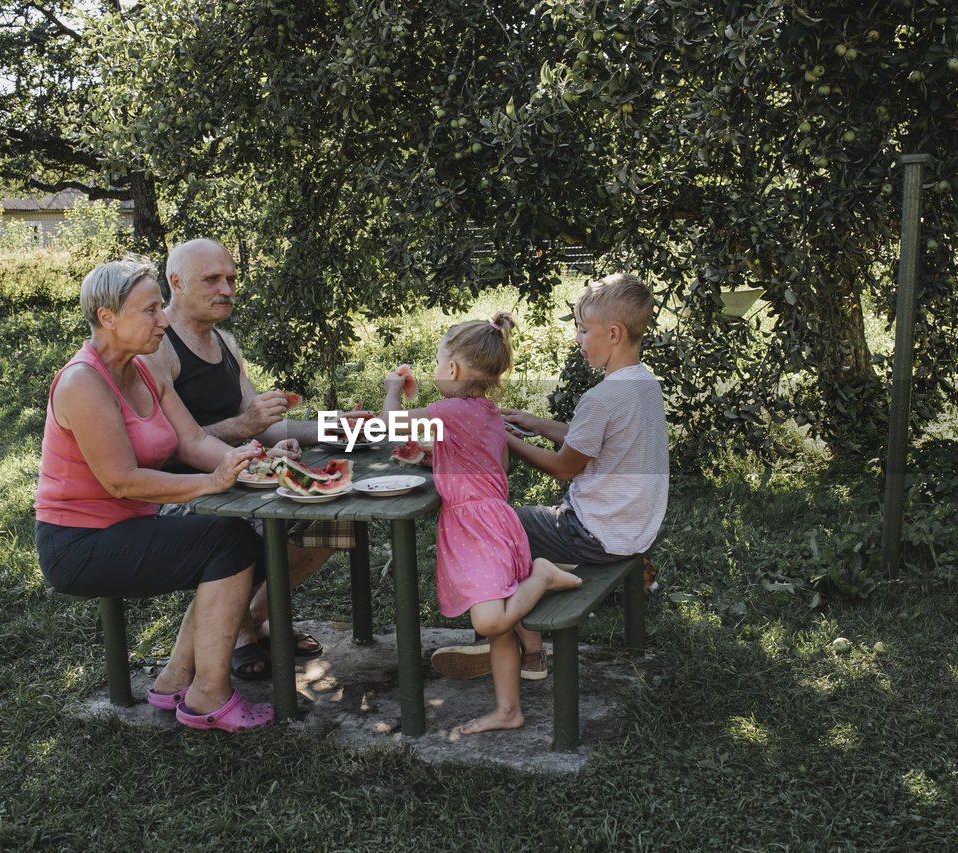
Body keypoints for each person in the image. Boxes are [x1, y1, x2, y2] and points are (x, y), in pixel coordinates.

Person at [34, 257, 278, 732]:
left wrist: (251, 459)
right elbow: (121, 479)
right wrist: (211, 482)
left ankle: (177, 682)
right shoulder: (82, 382)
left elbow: (191, 442)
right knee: (229, 543)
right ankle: (208, 695)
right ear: (108, 317)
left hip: (127, 526)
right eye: (149, 310)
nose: (162, 319)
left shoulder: (144, 370)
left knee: (240, 541)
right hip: (77, 544)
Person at [430, 273, 669, 682]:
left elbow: (563, 468)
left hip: (595, 533)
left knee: (500, 529)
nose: (578, 338)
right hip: (633, 528)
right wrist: (535, 424)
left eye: (582, 329)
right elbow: (590, 439)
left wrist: (505, 436)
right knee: (509, 528)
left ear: (613, 333)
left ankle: (518, 645)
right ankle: (514, 637)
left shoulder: (602, 397)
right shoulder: (642, 383)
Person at [144, 238, 354, 679]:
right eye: (213, 279)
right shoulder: (158, 348)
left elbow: (259, 422)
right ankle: (239, 634)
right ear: (176, 283)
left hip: (243, 478)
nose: (227, 289)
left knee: (335, 523)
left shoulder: (224, 343)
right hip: (181, 491)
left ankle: (263, 613)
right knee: (235, 534)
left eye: (232, 279)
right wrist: (244, 432)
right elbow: (168, 442)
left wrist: (333, 428)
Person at [382, 311, 583, 734]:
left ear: (452, 369)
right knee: (500, 630)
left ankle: (543, 576)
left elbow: (391, 426)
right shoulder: (489, 413)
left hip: (475, 528)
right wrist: (438, 456)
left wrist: (392, 389)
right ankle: (509, 710)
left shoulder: (448, 409)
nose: (436, 370)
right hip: (497, 520)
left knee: (489, 621)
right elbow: (496, 464)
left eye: (438, 362)